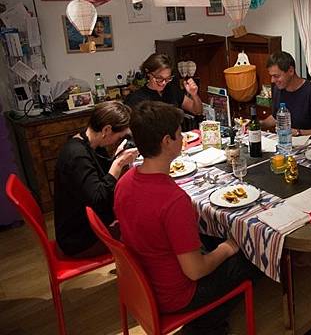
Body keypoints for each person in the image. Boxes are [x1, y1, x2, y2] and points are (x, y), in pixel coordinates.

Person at [114, 101, 257, 335]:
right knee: (251, 255)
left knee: (209, 238)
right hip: (176, 295)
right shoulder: (173, 200)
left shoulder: (124, 181)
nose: (182, 138)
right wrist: (228, 247)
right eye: (180, 133)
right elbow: (195, 271)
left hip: (143, 283)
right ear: (167, 141)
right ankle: (208, 324)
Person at [54, 101, 138, 258]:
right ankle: (135, 271)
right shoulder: (76, 155)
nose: (117, 140)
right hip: (79, 239)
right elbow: (99, 198)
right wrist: (118, 164)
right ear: (106, 130)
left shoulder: (89, 143)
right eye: (119, 136)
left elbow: (99, 176)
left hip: (89, 224)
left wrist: (116, 157)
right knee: (143, 230)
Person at [260, 51, 311, 140]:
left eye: (276, 76)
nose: (272, 80)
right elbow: (276, 118)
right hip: (286, 142)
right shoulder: (278, 89)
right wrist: (260, 124)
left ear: (291, 71)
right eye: (271, 76)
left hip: (308, 145)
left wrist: (298, 132)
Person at [124, 53, 203, 115]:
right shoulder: (136, 99)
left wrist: (194, 95)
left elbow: (197, 111)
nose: (164, 83)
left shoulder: (172, 90)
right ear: (148, 73)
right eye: (159, 78)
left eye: (168, 78)